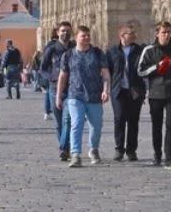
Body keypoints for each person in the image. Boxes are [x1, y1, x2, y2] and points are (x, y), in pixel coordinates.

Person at [137, 21, 171, 170]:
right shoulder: (149, 50)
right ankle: (157, 154)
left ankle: (169, 158)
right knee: (157, 126)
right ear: (157, 33)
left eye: (168, 32)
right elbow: (140, 71)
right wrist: (156, 67)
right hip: (156, 94)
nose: (166, 35)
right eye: (163, 32)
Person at [56, 26, 110, 167]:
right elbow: (63, 76)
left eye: (88, 35)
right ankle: (75, 154)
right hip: (75, 94)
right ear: (76, 37)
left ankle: (93, 149)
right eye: (83, 36)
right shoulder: (68, 55)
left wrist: (106, 90)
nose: (86, 38)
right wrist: (58, 96)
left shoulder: (97, 53)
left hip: (94, 95)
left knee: (96, 125)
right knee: (76, 123)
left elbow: (105, 74)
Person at [106, 25, 145, 161]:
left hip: (135, 90)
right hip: (118, 90)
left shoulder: (140, 50)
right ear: (122, 36)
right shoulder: (112, 52)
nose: (134, 35)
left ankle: (131, 150)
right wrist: (107, 88)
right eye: (131, 33)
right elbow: (107, 72)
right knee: (119, 119)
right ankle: (119, 149)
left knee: (133, 121)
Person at [41, 22, 74, 160]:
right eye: (62, 31)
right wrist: (51, 78)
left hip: (72, 88)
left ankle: (64, 148)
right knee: (59, 122)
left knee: (68, 120)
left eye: (67, 31)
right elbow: (43, 68)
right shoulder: (52, 48)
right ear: (58, 32)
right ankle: (65, 146)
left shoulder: (74, 47)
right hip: (55, 89)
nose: (65, 33)